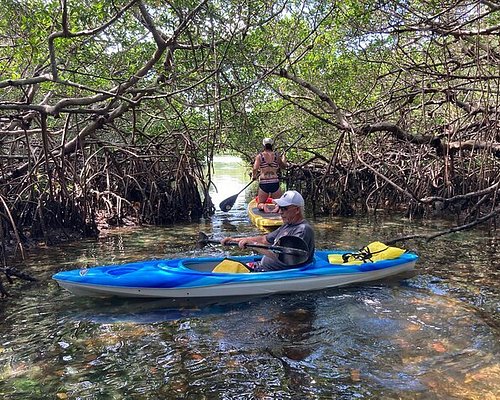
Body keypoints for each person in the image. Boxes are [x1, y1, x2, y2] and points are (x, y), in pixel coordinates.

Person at [221, 190, 315, 272]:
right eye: (279, 207)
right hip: (262, 268)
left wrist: (253, 245)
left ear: (297, 210)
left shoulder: (303, 230)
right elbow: (264, 239)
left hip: (276, 273)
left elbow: (285, 257)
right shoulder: (287, 225)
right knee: (225, 265)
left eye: (284, 208)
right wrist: (235, 240)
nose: (280, 212)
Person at [253, 137, 287, 211]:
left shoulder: (260, 156)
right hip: (274, 182)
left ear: (263, 145)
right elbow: (284, 166)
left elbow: (255, 168)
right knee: (279, 203)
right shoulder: (276, 156)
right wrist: (284, 158)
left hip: (264, 183)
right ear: (272, 145)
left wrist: (254, 176)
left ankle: (263, 207)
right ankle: (277, 207)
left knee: (260, 203)